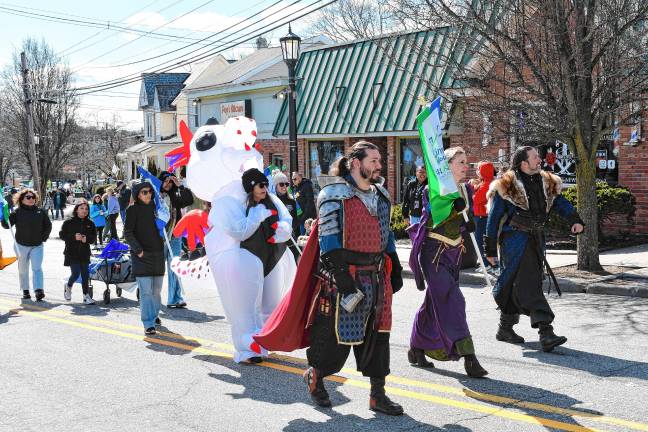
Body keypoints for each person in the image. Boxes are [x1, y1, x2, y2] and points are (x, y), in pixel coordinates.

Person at [303, 141, 404, 415]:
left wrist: (393, 264)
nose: (379, 165)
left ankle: (378, 395)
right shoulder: (333, 195)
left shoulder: (381, 194)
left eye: (379, 160)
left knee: (379, 336)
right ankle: (317, 376)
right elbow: (329, 243)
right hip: (346, 277)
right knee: (337, 337)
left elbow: (388, 236)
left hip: (378, 277)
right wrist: (342, 280)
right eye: (373, 160)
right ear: (355, 163)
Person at [485, 146, 584, 352]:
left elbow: (560, 202)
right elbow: (493, 219)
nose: (539, 160)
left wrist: (574, 219)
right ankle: (546, 332)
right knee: (528, 283)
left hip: (536, 239)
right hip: (514, 241)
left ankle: (505, 328)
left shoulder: (546, 181)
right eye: (535, 157)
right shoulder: (507, 185)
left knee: (516, 283)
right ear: (523, 163)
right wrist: (490, 250)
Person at [407, 147, 488, 377]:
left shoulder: (465, 189)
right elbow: (433, 215)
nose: (465, 166)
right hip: (434, 254)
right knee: (454, 300)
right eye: (460, 162)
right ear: (448, 165)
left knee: (434, 302)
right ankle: (469, 356)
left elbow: (462, 221)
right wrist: (454, 209)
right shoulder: (431, 189)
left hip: (454, 254)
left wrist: (467, 223)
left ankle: (417, 347)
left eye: (465, 161)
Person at [124, 181, 166, 335]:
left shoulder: (157, 208)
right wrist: (139, 250)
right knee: (146, 291)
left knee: (156, 291)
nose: (148, 194)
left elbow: (165, 225)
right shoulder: (132, 210)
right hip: (142, 255)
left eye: (149, 192)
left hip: (158, 254)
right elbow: (127, 232)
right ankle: (148, 322)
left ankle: (154, 316)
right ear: (137, 194)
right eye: (144, 192)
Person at [1, 189, 52, 301]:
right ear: (21, 199)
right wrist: (3, 217)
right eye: (28, 197)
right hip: (21, 246)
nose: (31, 199)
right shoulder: (17, 212)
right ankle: (25, 290)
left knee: (37, 268)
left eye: (33, 197)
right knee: (23, 269)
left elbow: (48, 226)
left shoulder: (41, 211)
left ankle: (38, 290)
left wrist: (43, 238)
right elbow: (6, 225)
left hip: (37, 246)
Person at [158, 171, 194, 308]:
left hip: (174, 236)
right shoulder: (154, 195)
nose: (167, 184)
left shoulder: (175, 195)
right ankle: (150, 296)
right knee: (156, 269)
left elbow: (189, 200)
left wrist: (180, 186)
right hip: (158, 237)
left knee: (175, 266)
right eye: (165, 181)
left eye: (170, 182)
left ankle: (175, 298)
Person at [60, 200, 97, 304]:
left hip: (85, 252)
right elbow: (62, 235)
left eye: (86, 209)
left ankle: (86, 296)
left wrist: (87, 239)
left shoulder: (91, 223)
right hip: (72, 252)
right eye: (82, 208)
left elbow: (93, 238)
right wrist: (73, 237)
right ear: (76, 210)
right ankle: (68, 286)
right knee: (76, 273)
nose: (84, 211)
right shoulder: (68, 222)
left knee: (85, 275)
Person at [470, 161, 496, 269]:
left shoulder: (486, 185)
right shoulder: (487, 182)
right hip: (482, 216)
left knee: (481, 241)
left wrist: (473, 191)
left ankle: (486, 264)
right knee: (484, 240)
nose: (477, 171)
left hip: (482, 217)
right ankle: (487, 263)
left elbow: (476, 199)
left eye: (479, 169)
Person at [273, 172, 300, 260]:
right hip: (277, 237)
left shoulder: (291, 201)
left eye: (286, 184)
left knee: (295, 256)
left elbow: (295, 219)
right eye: (281, 184)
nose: (284, 187)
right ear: (276, 186)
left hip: (290, 236)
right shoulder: (272, 201)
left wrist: (289, 229)